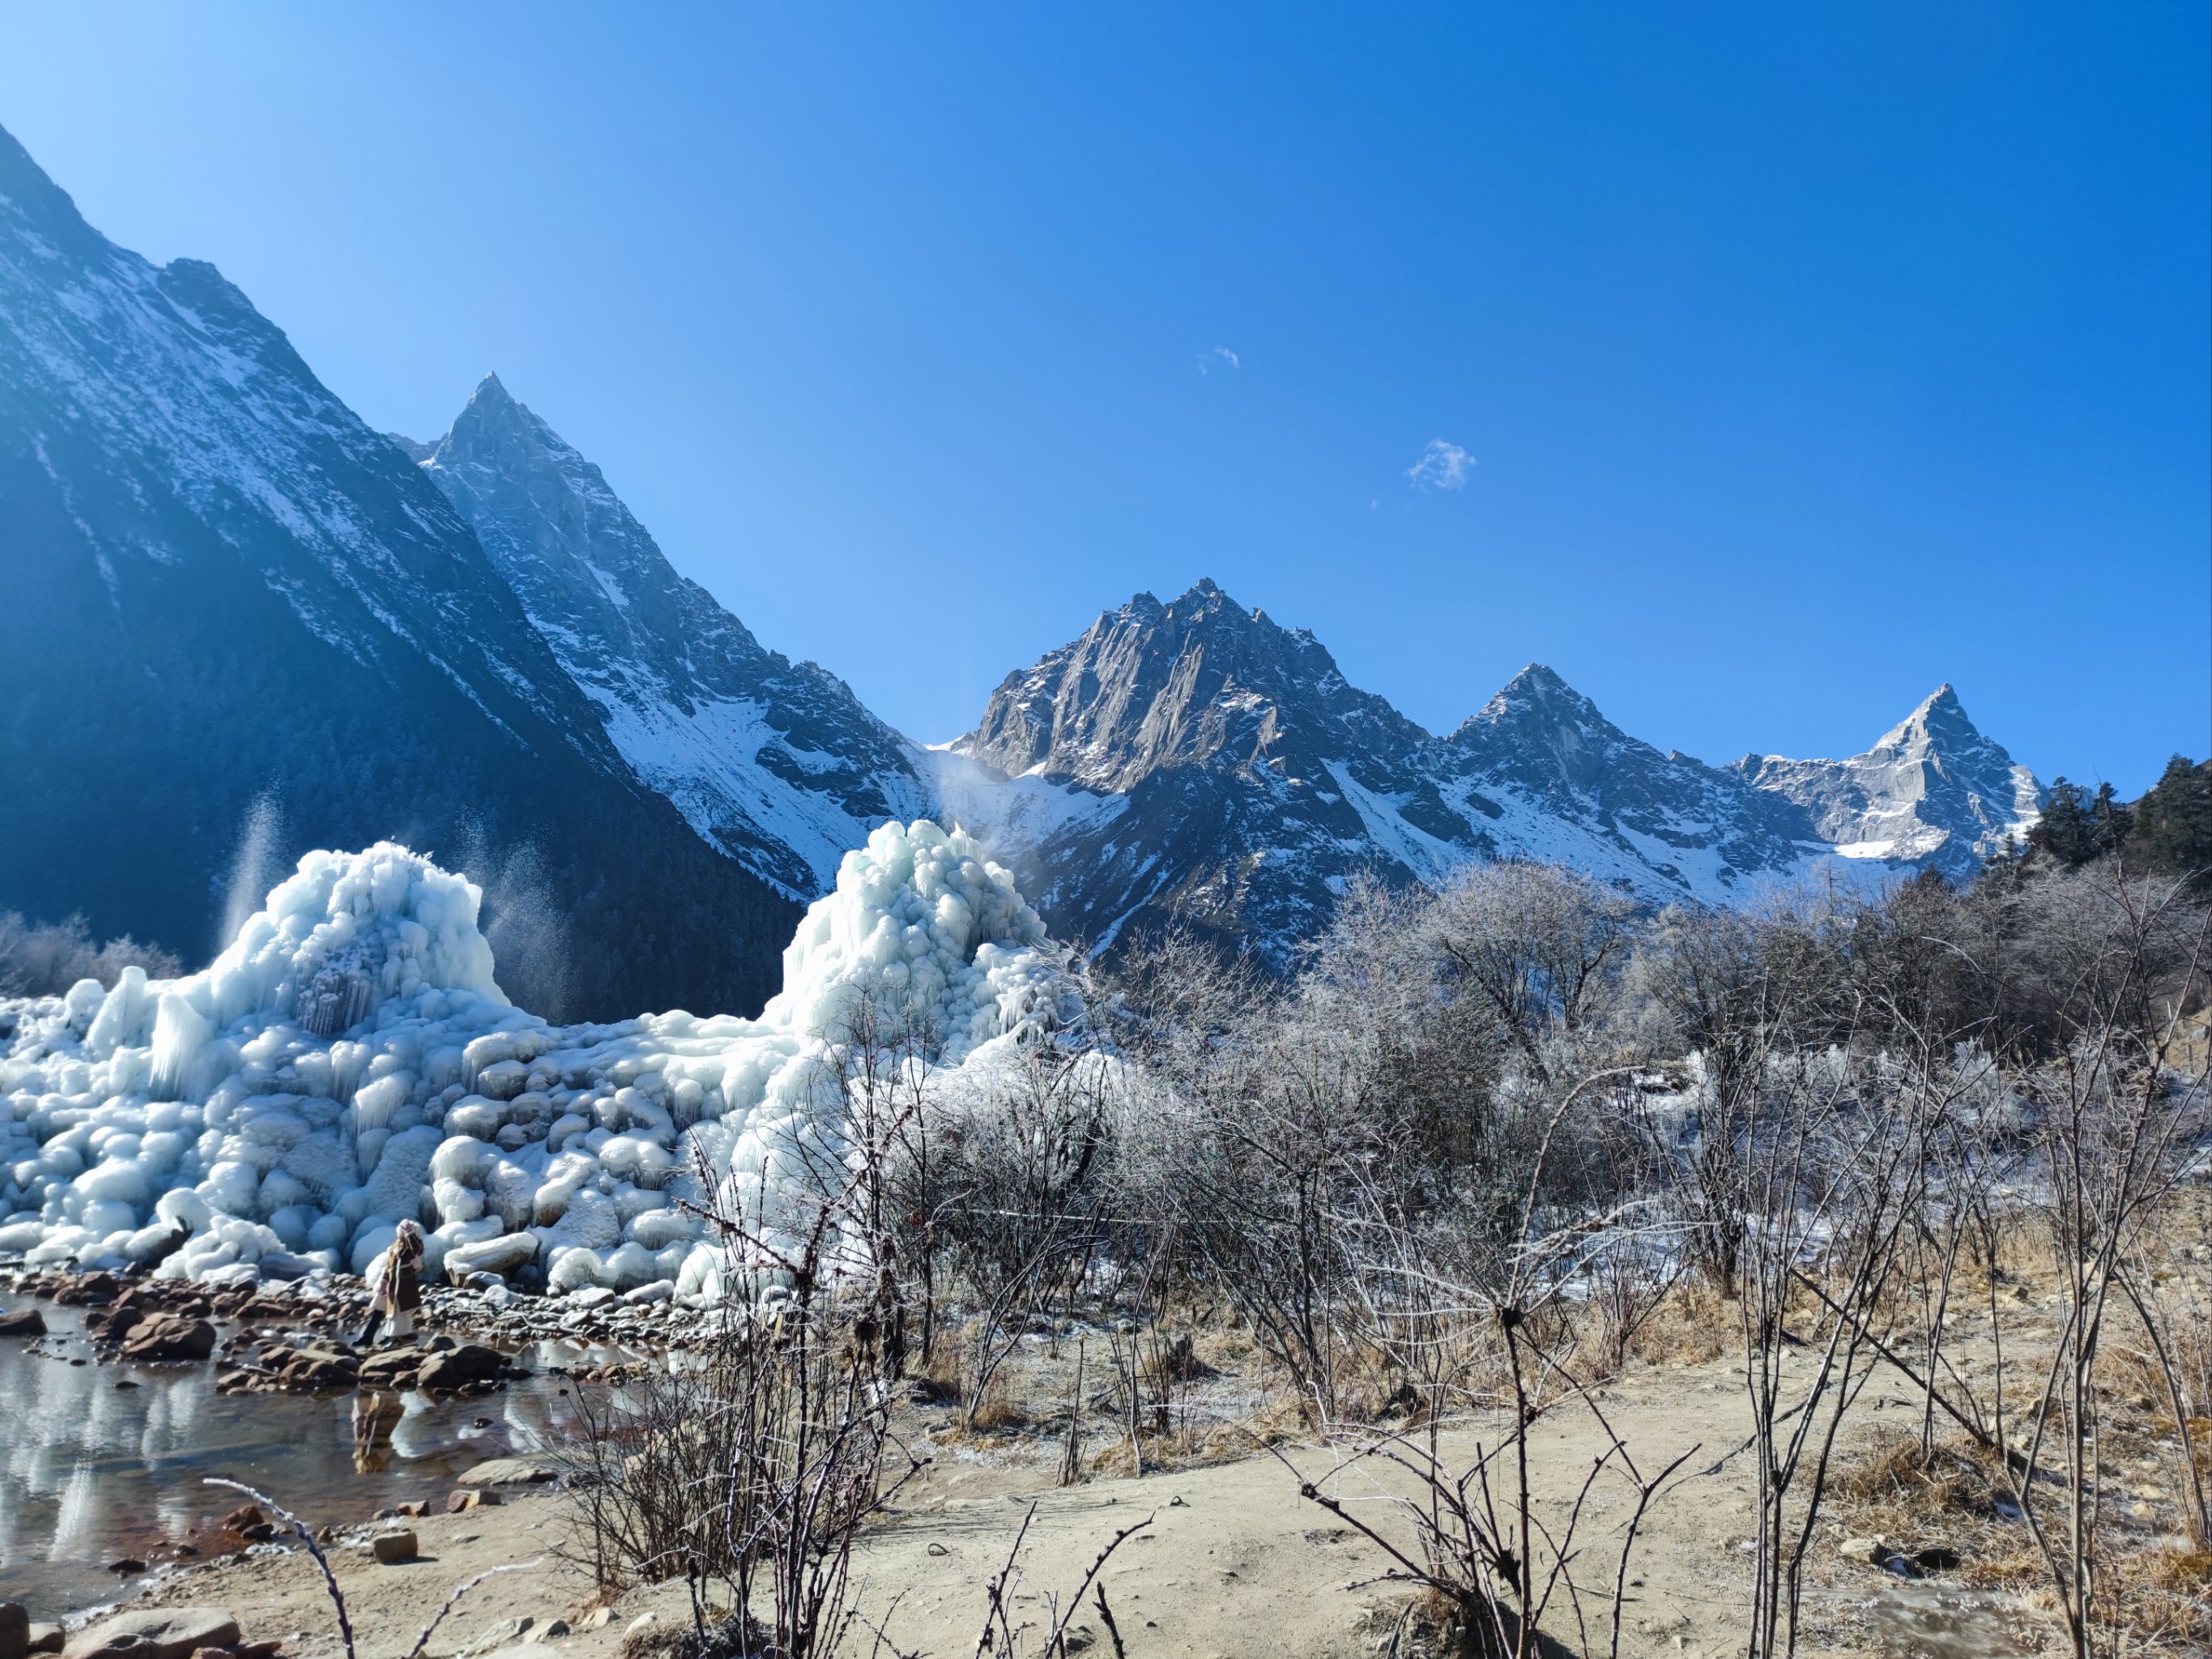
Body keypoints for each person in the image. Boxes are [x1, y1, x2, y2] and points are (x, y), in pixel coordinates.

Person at [356, 1218, 425, 1347]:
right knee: (380, 1310)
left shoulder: (415, 1244)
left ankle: (394, 1338)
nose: (401, 1234)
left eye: (403, 1232)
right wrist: (383, 1280)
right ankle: (368, 1337)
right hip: (390, 1283)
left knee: (398, 1312)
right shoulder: (397, 1244)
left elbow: (416, 1250)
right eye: (401, 1231)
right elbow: (390, 1264)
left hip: (403, 1284)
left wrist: (410, 1233)